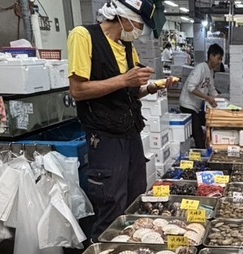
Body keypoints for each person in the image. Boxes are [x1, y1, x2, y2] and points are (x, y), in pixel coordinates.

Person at [67, 0, 175, 241]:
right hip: (105, 138)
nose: (140, 31)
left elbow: (129, 92)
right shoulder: (83, 36)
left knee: (135, 198)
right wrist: (125, 79)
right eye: (140, 25)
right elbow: (78, 90)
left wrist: (152, 87)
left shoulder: (127, 46)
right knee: (111, 204)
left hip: (130, 132)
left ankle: (131, 250)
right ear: (125, 18)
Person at [179, 43, 223, 149]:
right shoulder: (200, 68)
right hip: (187, 106)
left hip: (196, 108)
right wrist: (207, 98)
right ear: (211, 56)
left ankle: (206, 148)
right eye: (218, 58)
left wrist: (223, 102)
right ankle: (201, 154)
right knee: (198, 135)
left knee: (209, 120)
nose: (220, 62)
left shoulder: (210, 71)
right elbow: (191, 87)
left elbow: (211, 89)